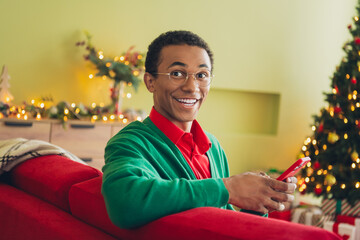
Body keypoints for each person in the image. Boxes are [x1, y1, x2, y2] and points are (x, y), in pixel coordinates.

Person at [101, 30, 297, 229]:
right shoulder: (130, 142)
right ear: (151, 82)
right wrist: (228, 188)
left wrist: (256, 202)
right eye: (177, 73)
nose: (192, 87)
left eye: (202, 75)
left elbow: (221, 220)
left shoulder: (214, 148)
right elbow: (124, 203)